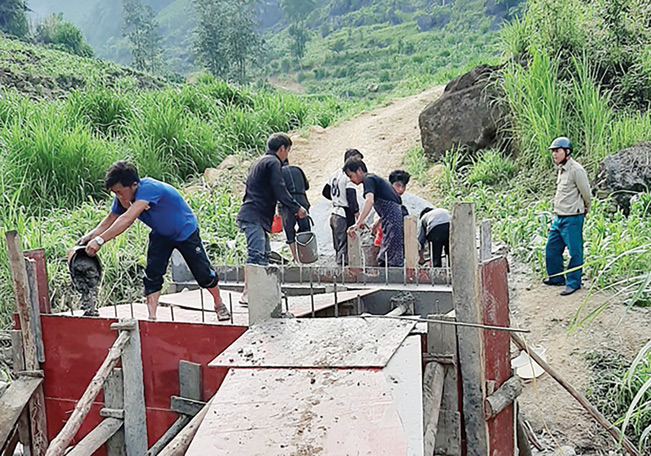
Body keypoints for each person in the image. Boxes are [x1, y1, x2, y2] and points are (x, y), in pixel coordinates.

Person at [80, 161, 230, 321]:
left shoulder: (149, 189)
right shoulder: (123, 199)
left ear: (133, 185)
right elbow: (110, 219)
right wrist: (89, 237)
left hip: (185, 231)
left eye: (119, 191)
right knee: (153, 274)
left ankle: (219, 304)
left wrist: (100, 241)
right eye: (115, 193)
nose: (119, 196)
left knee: (203, 273)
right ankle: (152, 317)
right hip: (161, 234)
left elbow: (128, 218)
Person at [236, 132, 307, 304]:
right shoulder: (273, 162)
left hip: (255, 214)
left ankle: (263, 291)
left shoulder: (259, 161)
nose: (286, 156)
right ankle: (247, 293)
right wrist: (296, 207)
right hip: (254, 216)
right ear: (282, 149)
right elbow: (279, 189)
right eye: (288, 151)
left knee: (264, 254)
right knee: (256, 254)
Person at [543, 136, 591, 296]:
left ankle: (573, 283)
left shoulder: (576, 170)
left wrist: (585, 209)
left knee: (575, 252)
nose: (554, 154)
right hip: (559, 217)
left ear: (567, 152)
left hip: (572, 218)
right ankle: (556, 278)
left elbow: (586, 194)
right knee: (551, 249)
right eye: (553, 151)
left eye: (557, 151)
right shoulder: (561, 169)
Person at [344, 159, 404, 267]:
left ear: (359, 170)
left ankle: (391, 280)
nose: (351, 180)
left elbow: (369, 201)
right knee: (388, 254)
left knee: (389, 256)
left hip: (392, 220)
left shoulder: (368, 179)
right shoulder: (373, 179)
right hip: (390, 218)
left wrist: (358, 223)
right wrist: (376, 223)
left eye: (351, 176)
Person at [322, 149, 362, 265]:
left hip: (334, 212)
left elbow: (325, 192)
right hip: (344, 213)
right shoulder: (349, 177)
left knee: (337, 245)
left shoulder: (334, 174)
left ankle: (338, 267)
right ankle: (342, 271)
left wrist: (336, 199)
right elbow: (351, 197)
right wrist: (356, 212)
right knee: (345, 244)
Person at [280, 159, 311, 261]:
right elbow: (307, 186)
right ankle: (306, 255)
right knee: (305, 228)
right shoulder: (298, 170)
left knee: (289, 231)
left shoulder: (278, 172)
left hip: (288, 204)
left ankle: (295, 258)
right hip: (302, 200)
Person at [373, 169, 410, 248]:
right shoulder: (384, 201)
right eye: (398, 186)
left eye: (403, 186)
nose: (401, 190)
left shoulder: (400, 204)